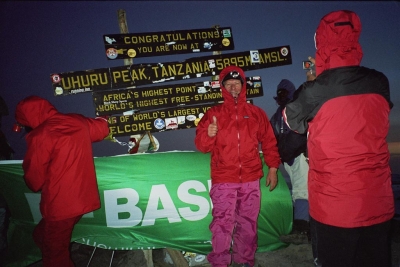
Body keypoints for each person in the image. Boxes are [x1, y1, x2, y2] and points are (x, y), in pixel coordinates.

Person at [284, 10, 394, 267]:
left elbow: (293, 122)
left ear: (320, 43)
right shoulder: (380, 81)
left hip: (334, 207)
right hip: (378, 201)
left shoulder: (316, 89)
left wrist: (313, 79)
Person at [195, 65, 281, 267]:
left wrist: (273, 168)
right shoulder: (213, 113)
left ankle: (244, 261)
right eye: (228, 84)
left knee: (248, 223)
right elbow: (201, 146)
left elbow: (269, 142)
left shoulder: (255, 113)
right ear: (223, 88)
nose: (233, 87)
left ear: (243, 86)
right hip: (224, 179)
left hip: (251, 179)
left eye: (236, 83)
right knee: (222, 224)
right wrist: (209, 134)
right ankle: (220, 262)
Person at [14, 96, 109, 267]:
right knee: (40, 235)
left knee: (54, 256)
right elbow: (102, 130)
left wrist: (31, 182)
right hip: (83, 200)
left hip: (60, 205)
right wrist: (105, 117)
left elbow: (34, 177)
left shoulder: (40, 135)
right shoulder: (76, 121)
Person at [270, 79, 310, 237]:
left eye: (284, 92)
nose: (281, 95)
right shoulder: (278, 114)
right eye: (279, 92)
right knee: (300, 191)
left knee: (302, 191)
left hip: (300, 156)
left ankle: (302, 229)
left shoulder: (295, 109)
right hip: (289, 160)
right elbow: (269, 137)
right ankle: (305, 225)